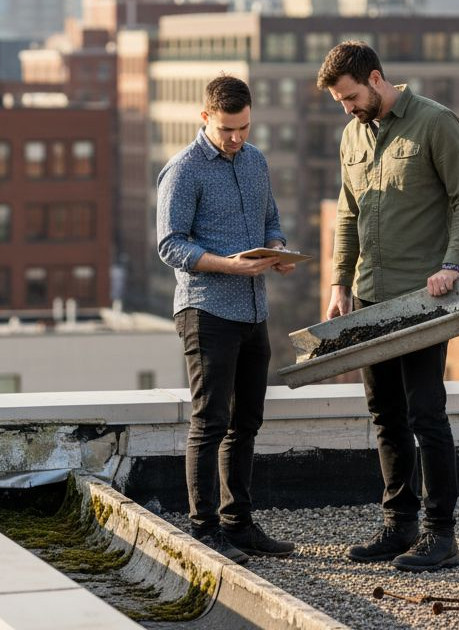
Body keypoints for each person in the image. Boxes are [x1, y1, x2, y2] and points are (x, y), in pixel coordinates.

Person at [317, 41, 459, 572]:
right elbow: (348, 213)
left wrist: (453, 265)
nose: (347, 109)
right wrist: (340, 283)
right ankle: (399, 525)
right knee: (385, 416)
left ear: (375, 78)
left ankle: (441, 534)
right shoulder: (352, 136)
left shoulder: (436, 123)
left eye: (350, 97)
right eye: (340, 102)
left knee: (426, 415)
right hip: (370, 296)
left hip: (423, 298)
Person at [156, 74, 297, 564]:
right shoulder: (183, 170)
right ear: (205, 118)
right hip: (206, 310)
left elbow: (271, 219)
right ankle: (204, 530)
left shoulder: (256, 161)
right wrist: (227, 265)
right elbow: (169, 244)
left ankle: (239, 523)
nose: (237, 138)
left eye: (244, 128)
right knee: (210, 421)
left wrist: (277, 249)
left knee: (247, 421)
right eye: (227, 129)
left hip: (254, 310)